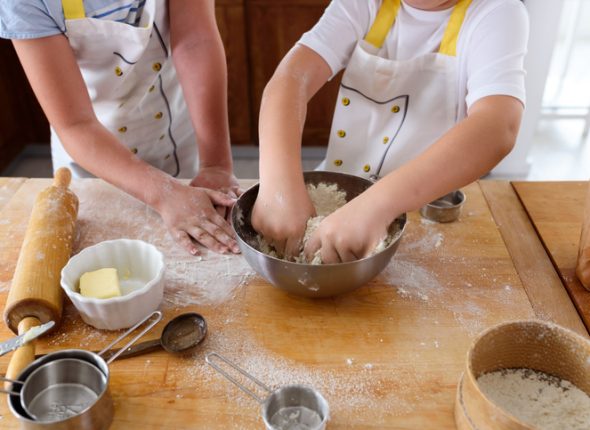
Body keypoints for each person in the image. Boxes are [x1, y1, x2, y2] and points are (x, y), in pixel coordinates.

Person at [252, 0, 528, 263]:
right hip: (341, 195)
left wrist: (377, 205)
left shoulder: (497, 12)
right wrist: (278, 185)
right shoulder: (365, 5)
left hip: (425, 214)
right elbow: (292, 79)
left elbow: (497, 126)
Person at [0, 0, 240, 256]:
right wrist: (164, 194)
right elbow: (75, 124)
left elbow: (196, 41)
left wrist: (215, 164)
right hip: (94, 153)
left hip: (176, 126)